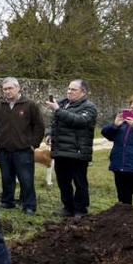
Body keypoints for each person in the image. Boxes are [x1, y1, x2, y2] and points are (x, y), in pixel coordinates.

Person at [0, 77, 46, 215]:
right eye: (5, 89)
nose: (7, 91)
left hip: (23, 150)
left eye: (10, 88)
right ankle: (7, 201)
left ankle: (29, 205)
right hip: (4, 149)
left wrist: (34, 144)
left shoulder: (30, 105)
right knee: (6, 177)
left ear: (18, 88)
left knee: (26, 178)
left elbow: (39, 126)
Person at [44, 79, 98, 218]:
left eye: (73, 89)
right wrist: (49, 134)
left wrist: (58, 110)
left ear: (83, 92)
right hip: (60, 150)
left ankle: (80, 210)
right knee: (63, 181)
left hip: (77, 151)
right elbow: (54, 123)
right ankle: (67, 207)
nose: (69, 91)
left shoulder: (89, 107)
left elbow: (79, 121)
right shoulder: (62, 104)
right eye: (68, 89)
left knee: (79, 182)